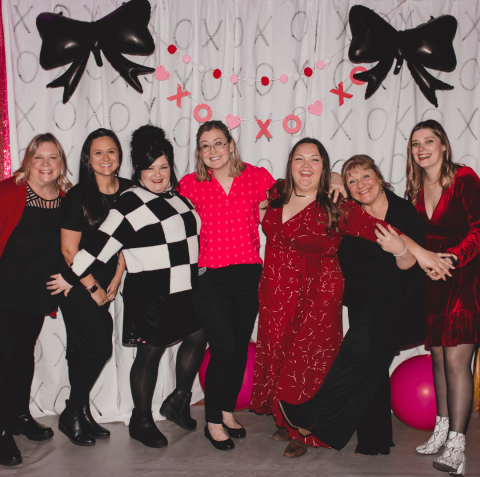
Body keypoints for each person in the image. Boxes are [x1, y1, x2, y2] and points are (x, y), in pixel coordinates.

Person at [251, 138, 451, 459]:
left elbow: (400, 248)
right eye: (353, 180)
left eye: (315, 160)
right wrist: (330, 179)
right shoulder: (307, 199)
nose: (360, 184)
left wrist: (417, 253)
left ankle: (306, 422)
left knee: (332, 362)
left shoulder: (370, 208)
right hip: (320, 300)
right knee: (353, 368)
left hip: (359, 300)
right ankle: (363, 438)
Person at [49, 125, 207, 449]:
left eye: (163, 167)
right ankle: (141, 419)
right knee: (148, 357)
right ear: (138, 170)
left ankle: (178, 400)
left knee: (199, 337)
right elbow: (99, 245)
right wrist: (71, 275)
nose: (158, 174)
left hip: (183, 290)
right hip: (150, 293)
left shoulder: (180, 199)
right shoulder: (130, 201)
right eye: (150, 168)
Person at [178, 120, 276, 450]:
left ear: (231, 145)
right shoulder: (189, 184)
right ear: (199, 152)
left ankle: (225, 409)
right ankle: (213, 422)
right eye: (205, 146)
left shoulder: (257, 177)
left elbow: (284, 207)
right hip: (210, 277)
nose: (212, 151)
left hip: (248, 273)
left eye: (218, 143)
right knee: (223, 349)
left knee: (237, 348)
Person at [48, 128, 131, 446]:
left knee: (82, 349)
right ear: (88, 159)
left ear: (119, 156)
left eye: (111, 151)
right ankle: (72, 412)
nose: (106, 158)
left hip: (107, 281)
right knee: (99, 347)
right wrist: (94, 287)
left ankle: (81, 416)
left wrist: (118, 275)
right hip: (75, 284)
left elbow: (128, 240)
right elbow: (70, 250)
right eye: (98, 153)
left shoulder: (128, 191)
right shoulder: (79, 196)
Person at [406, 120, 480, 477]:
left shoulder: (464, 178)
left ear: (443, 146)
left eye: (429, 141)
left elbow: (479, 228)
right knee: (436, 356)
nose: (422, 148)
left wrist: (450, 260)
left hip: (464, 279)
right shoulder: (416, 186)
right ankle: (441, 428)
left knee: (455, 362)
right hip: (432, 280)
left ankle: (457, 445)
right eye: (416, 143)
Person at [0, 133, 71, 466]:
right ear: (28, 161)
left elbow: (75, 245)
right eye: (38, 157)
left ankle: (19, 415)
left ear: (61, 164)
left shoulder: (67, 199)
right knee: (6, 357)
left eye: (52, 157)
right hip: (5, 288)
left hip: (37, 292)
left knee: (24, 354)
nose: (45, 164)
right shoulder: (10, 190)